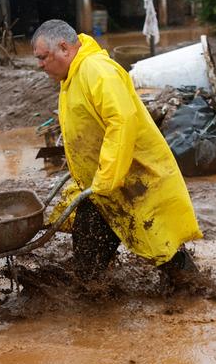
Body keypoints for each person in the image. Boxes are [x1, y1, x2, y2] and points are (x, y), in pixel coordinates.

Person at [31, 19, 202, 282]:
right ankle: (98, 297)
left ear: (64, 48)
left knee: (159, 245)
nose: (40, 65)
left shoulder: (96, 71)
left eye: (43, 57)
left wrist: (107, 178)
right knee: (89, 260)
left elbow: (121, 121)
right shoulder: (72, 77)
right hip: (101, 187)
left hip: (132, 180)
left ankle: (197, 290)